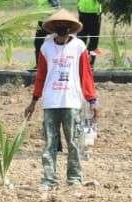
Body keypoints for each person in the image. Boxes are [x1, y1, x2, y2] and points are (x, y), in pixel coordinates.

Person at [24, 9, 97, 191]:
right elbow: (40, 76)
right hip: (50, 102)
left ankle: (74, 178)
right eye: (59, 26)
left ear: (71, 28)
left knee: (74, 142)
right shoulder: (46, 48)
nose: (62, 29)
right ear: (54, 28)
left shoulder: (79, 47)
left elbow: (85, 75)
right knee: (49, 143)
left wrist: (92, 100)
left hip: (71, 102)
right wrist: (34, 101)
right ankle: (49, 179)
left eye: (66, 26)